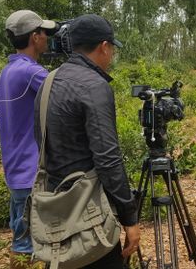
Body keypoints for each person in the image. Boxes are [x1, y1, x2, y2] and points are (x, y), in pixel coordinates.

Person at [33, 14, 140, 268]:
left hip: (56, 210)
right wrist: (130, 218)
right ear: (104, 47)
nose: (111, 56)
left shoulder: (48, 81)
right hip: (90, 216)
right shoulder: (95, 86)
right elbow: (108, 158)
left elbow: (42, 142)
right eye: (112, 49)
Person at [0, 10, 57, 267]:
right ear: (35, 37)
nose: (48, 38)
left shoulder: (8, 70)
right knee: (32, 248)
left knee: (22, 242)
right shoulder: (31, 73)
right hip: (31, 172)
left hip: (16, 169)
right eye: (45, 33)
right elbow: (66, 93)